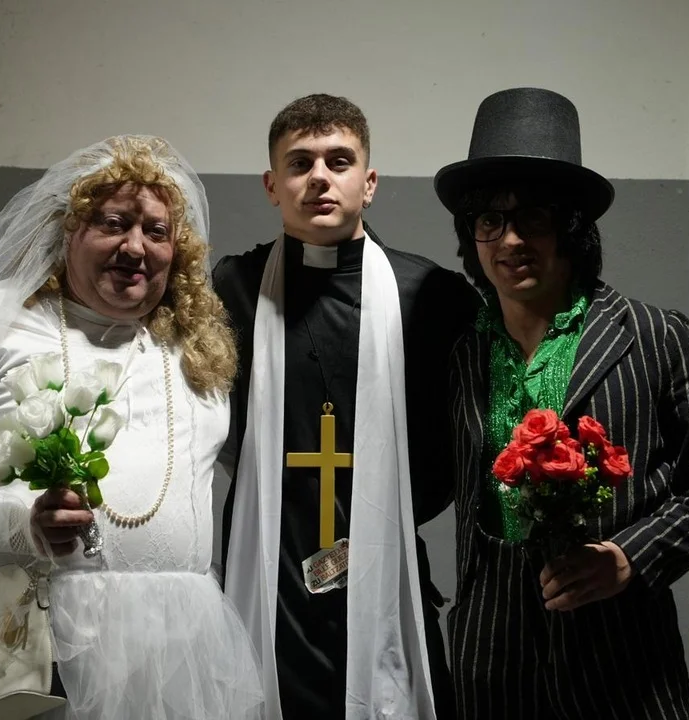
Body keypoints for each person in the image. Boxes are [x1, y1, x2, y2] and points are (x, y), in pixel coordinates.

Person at [0, 135, 265, 720]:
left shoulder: (198, 351)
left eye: (156, 231)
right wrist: (21, 524)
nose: (135, 246)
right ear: (68, 230)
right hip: (20, 634)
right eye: (112, 223)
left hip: (174, 657)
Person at [433, 87, 689, 719]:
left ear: (572, 227)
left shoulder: (658, 337)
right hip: (490, 661)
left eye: (533, 218)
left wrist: (629, 557)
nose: (510, 240)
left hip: (621, 659)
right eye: (490, 221)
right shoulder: (461, 354)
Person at [212, 93, 482, 719]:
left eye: (339, 161)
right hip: (270, 564)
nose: (319, 178)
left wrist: (386, 518)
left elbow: (463, 441)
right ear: (272, 185)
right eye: (299, 163)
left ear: (370, 181)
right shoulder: (234, 287)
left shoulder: (431, 295)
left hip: (385, 563)